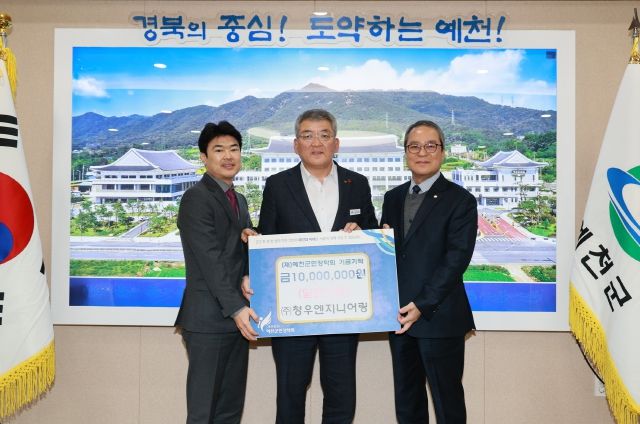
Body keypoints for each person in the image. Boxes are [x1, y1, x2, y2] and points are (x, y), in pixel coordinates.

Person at [257, 109, 378, 423]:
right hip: (292, 313)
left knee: (341, 395)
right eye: (307, 136)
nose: (316, 143)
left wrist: (363, 233)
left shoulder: (358, 184)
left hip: (342, 312)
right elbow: (265, 243)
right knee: (290, 394)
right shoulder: (277, 185)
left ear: (336, 143)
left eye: (324, 135)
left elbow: (374, 239)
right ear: (296, 144)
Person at [380, 120, 478, 424]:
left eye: (430, 146)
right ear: (406, 152)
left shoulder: (461, 200)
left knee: (448, 404)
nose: (422, 153)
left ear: (442, 152)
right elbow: (387, 251)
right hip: (400, 319)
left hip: (439, 318)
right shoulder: (392, 197)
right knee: (407, 403)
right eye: (414, 146)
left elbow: (456, 260)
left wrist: (421, 305)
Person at [175, 120, 258, 424]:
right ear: (204, 157)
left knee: (229, 410)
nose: (228, 156)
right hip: (209, 320)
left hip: (236, 319)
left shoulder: (239, 199)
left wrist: (251, 239)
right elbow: (209, 260)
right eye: (219, 150)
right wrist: (237, 308)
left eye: (234, 149)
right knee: (204, 411)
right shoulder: (197, 198)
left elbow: (233, 251)